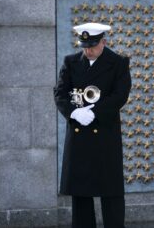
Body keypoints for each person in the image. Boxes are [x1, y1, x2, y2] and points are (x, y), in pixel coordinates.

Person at [54, 22, 132, 228]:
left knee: (111, 193)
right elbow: (60, 93)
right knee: (81, 194)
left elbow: (120, 96)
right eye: (84, 46)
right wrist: (74, 113)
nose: (88, 50)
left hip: (105, 133)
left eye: (92, 46)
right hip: (79, 134)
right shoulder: (70, 62)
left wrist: (94, 112)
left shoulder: (119, 63)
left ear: (104, 42)